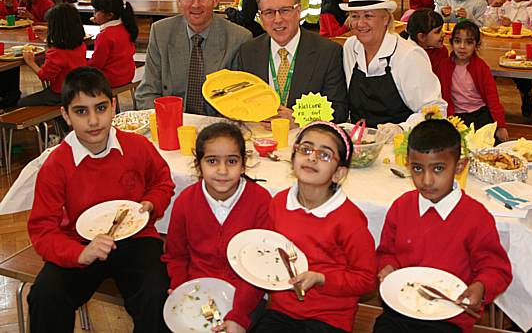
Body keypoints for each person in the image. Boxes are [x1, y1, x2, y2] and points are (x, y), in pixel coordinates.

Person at [27, 67, 175, 333]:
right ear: (66, 116)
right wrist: (79, 253)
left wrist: (152, 203)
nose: (93, 120)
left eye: (101, 108)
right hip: (79, 243)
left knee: (156, 296)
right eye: (81, 111)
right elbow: (42, 230)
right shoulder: (56, 164)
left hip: (137, 239)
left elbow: (162, 182)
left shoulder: (137, 146)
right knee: (45, 296)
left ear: (114, 106)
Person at [374, 119, 512, 333]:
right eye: (417, 169)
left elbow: (495, 269)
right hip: (401, 307)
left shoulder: (476, 217)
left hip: (450, 317)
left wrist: (480, 287)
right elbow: (386, 252)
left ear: (459, 166)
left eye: (438, 169)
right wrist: (387, 267)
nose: (426, 180)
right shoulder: (401, 207)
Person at [251, 121, 376, 333]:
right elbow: (267, 251)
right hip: (282, 311)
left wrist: (322, 279)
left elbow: (366, 280)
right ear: (292, 158)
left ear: (339, 174)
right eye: (305, 149)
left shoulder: (349, 219)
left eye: (324, 154)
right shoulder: (279, 203)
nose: (312, 157)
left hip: (329, 317)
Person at [163, 122, 271, 332]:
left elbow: (260, 269)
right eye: (212, 161)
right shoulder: (186, 202)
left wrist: (239, 315)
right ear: (199, 164)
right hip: (198, 289)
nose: (222, 171)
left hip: (247, 296)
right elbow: (176, 255)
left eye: (232, 161)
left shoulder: (260, 201)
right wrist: (179, 287)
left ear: (243, 163)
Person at [135, 0, 252, 114]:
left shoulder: (238, 38)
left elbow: (241, 100)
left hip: (217, 126)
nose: (195, 4)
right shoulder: (161, 33)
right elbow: (147, 92)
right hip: (171, 120)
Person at [234, 0, 348, 124]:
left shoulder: (328, 52)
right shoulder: (247, 52)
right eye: (269, 12)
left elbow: (339, 110)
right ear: (261, 17)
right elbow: (238, 104)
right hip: (259, 137)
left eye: (285, 10)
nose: (278, 19)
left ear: (298, 10)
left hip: (306, 136)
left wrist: (299, 117)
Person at [342, 0, 447, 131]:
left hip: (399, 145)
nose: (360, 23)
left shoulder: (409, 56)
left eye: (368, 15)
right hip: (362, 144)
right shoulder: (350, 47)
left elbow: (436, 110)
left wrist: (401, 128)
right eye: (354, 16)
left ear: (386, 18)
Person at [436, 21, 508, 141]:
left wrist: (501, 125)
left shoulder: (481, 67)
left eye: (469, 42)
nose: (462, 46)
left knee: (487, 142)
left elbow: (492, 99)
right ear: (451, 43)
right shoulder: (444, 66)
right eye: (458, 41)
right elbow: (442, 96)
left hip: (480, 113)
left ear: (476, 45)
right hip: (457, 116)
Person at [18, 3, 86, 106]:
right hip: (79, 88)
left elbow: (44, 76)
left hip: (60, 94)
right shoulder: (80, 44)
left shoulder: (57, 53)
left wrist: (30, 62)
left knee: (21, 103)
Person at [88, 0, 137, 88]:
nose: (94, 14)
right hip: (127, 75)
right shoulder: (126, 26)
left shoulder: (105, 36)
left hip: (111, 79)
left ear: (109, 15)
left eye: (96, 11)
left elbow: (97, 64)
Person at [401, 9, 448, 75]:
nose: (443, 34)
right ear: (421, 37)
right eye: (438, 31)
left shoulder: (442, 51)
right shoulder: (406, 54)